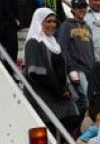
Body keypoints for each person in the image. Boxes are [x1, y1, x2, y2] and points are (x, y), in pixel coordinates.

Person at [23, 8, 79, 137]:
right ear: (39, 22)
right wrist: (59, 90)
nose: (52, 25)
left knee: (74, 115)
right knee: (56, 123)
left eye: (54, 22)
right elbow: (37, 73)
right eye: (48, 21)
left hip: (58, 92)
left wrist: (64, 89)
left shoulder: (54, 43)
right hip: (43, 92)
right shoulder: (34, 42)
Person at [57, 0, 95, 116]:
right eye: (79, 7)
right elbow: (62, 48)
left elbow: (91, 51)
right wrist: (71, 69)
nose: (82, 10)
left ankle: (80, 126)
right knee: (86, 99)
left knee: (90, 101)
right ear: (72, 10)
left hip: (89, 70)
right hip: (77, 69)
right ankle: (84, 129)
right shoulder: (66, 25)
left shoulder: (88, 28)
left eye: (84, 7)